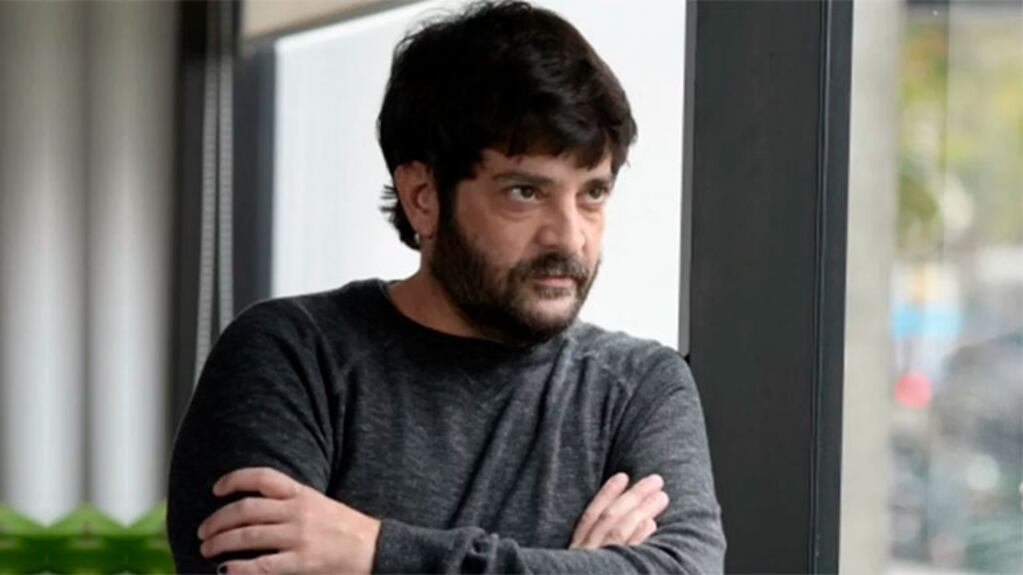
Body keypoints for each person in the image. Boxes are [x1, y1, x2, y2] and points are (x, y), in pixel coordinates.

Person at [166, 1, 725, 573]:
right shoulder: (292, 356)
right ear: (423, 198)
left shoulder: (638, 388)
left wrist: (375, 551)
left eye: (593, 193)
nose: (569, 237)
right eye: (525, 192)